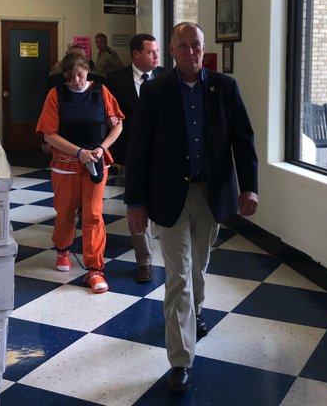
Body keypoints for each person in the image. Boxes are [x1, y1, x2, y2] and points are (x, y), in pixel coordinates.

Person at [124, 22, 258, 392]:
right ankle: (181, 360)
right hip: (168, 196)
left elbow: (243, 140)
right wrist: (135, 201)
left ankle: (197, 309)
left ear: (203, 47)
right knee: (177, 275)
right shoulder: (155, 92)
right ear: (171, 50)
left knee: (198, 264)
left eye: (195, 45)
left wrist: (250, 187)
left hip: (211, 194)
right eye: (182, 46)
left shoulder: (225, 88)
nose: (190, 52)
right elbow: (139, 149)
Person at [36, 53, 124, 294]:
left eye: (80, 75)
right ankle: (63, 250)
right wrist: (78, 153)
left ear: (88, 72)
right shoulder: (56, 95)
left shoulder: (101, 92)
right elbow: (49, 134)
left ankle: (95, 269)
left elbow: (117, 124)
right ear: (65, 76)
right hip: (66, 164)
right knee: (66, 211)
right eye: (71, 76)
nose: (76, 80)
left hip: (96, 162)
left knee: (94, 215)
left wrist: (101, 148)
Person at [105, 33, 166, 283]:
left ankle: (170, 253)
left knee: (164, 203)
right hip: (131, 152)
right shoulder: (115, 80)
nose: (156, 56)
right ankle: (145, 261)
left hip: (163, 154)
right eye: (151, 52)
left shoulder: (166, 77)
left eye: (157, 51)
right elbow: (108, 114)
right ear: (135, 55)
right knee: (136, 205)